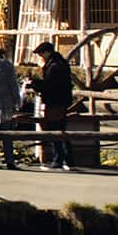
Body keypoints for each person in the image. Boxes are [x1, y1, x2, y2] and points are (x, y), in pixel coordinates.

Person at [28, 41, 74, 170]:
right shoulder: (60, 63)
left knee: (55, 130)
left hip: (55, 101)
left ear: (47, 53)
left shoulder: (54, 66)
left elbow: (49, 85)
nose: (40, 57)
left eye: (41, 54)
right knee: (61, 129)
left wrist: (34, 84)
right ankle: (67, 159)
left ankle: (59, 158)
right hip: (62, 101)